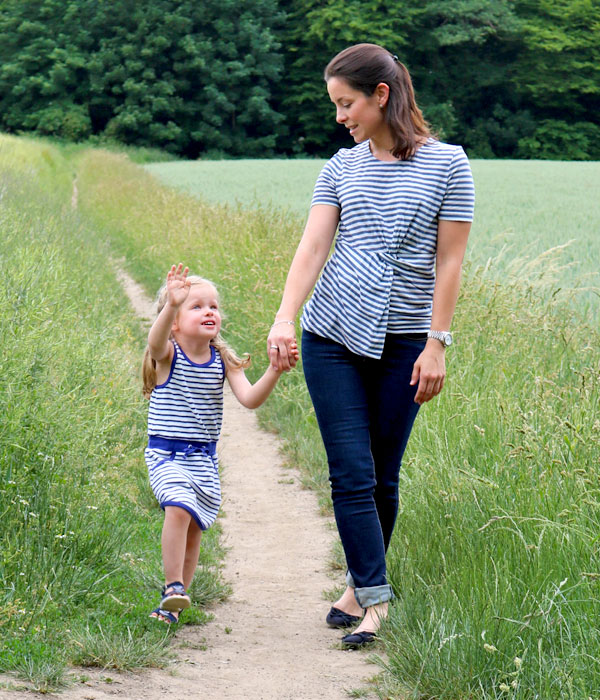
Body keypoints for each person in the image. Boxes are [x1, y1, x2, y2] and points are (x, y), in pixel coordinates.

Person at [267, 43, 474, 648]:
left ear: (381, 95)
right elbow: (313, 248)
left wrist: (436, 344)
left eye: (346, 103)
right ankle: (378, 601)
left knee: (383, 476)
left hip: (407, 340)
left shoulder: (449, 164)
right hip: (332, 334)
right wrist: (285, 316)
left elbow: (451, 261)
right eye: (335, 105)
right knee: (351, 473)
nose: (340, 117)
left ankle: (359, 586)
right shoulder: (340, 167)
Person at [143, 263, 298, 623]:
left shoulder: (223, 360)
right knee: (178, 507)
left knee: (195, 529)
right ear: (176, 323)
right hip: (168, 456)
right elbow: (154, 341)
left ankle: (173, 606)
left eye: (213, 306)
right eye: (196, 306)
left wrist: (275, 370)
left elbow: (250, 400)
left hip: (204, 461)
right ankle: (172, 585)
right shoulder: (169, 355)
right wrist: (170, 304)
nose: (209, 311)